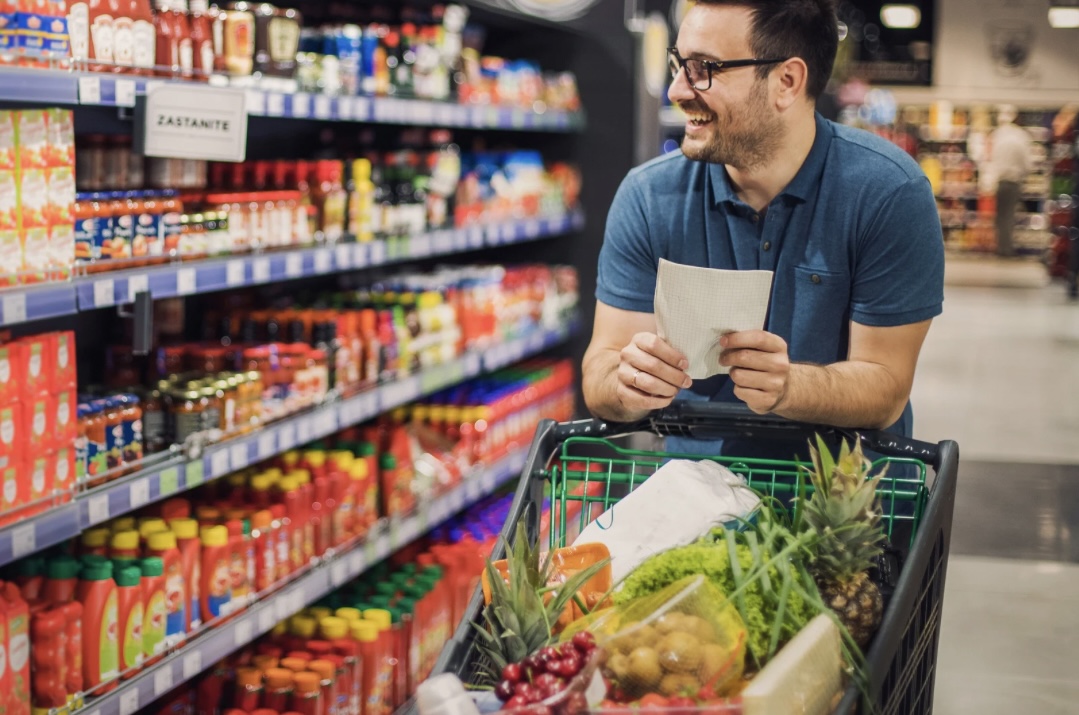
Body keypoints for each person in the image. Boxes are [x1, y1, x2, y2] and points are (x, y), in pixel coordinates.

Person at [581, 0, 945, 459]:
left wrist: (791, 385)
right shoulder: (649, 196)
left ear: (786, 82)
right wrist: (627, 382)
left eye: (703, 68)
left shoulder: (888, 193)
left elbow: (887, 384)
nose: (676, 89)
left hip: (848, 508)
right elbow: (601, 370)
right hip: (694, 505)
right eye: (678, 64)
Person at [987, 105, 1032, 258]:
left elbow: (991, 159)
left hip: (1000, 181)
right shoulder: (1021, 136)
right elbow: (1027, 162)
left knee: (1000, 216)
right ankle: (1007, 249)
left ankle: (1001, 247)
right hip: (1014, 181)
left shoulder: (997, 134)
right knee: (1009, 215)